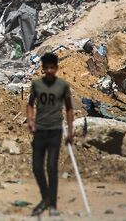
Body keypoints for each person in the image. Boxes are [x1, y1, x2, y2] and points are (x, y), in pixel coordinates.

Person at [26, 52, 74, 217]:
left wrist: (71, 131)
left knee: (52, 168)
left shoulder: (63, 86)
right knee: (37, 168)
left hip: (55, 131)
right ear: (43, 69)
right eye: (46, 68)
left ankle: (52, 204)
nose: (49, 71)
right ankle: (46, 197)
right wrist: (30, 121)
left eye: (52, 68)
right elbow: (30, 105)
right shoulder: (36, 85)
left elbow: (69, 108)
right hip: (40, 130)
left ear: (57, 68)